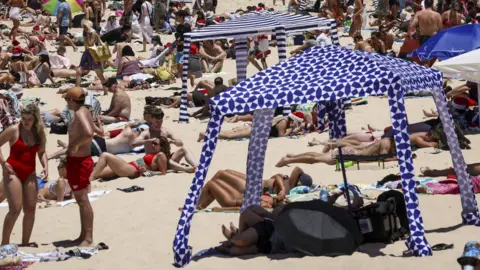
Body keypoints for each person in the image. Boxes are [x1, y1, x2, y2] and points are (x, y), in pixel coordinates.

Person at [0, 104, 48, 246]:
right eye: (24, 118)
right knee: (15, 209)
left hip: (30, 172)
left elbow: (41, 151)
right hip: (12, 171)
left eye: (29, 119)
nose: (26, 122)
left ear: (35, 120)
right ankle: (4, 243)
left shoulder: (39, 132)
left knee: (30, 210)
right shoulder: (14, 130)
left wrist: (45, 165)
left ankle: (25, 243)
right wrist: (3, 163)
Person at [196, 167, 313, 210]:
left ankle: (200, 203)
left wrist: (282, 188)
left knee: (220, 174)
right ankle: (202, 203)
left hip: (255, 187)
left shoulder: (291, 186)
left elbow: (297, 169)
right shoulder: (288, 185)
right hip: (257, 182)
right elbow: (278, 176)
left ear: (299, 182)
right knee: (222, 173)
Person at [64, 87, 95, 247]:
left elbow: (89, 133)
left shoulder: (79, 113)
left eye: (66, 100)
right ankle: (83, 235)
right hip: (79, 160)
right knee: (81, 200)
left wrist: (75, 145)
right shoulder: (85, 111)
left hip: (80, 161)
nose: (66, 103)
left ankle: (88, 237)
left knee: (83, 200)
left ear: (71, 100)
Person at [89, 137, 170, 180]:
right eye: (152, 143)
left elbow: (163, 173)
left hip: (133, 170)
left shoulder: (161, 155)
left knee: (105, 155)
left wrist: (147, 172)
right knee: (97, 172)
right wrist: (142, 166)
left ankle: (90, 180)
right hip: (130, 166)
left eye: (155, 143)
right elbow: (141, 161)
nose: (152, 145)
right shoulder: (153, 153)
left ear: (162, 147)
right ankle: (90, 177)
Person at [76, 20, 107, 95]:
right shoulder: (88, 33)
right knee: (79, 71)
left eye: (84, 26)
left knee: (99, 74)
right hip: (88, 53)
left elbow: (91, 43)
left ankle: (106, 91)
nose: (83, 28)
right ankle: (77, 89)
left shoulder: (92, 33)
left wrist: (87, 36)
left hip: (94, 54)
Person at [174, 10, 192, 77]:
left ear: (181, 17)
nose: (176, 18)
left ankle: (185, 83)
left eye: (177, 16)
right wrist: (177, 42)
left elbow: (190, 38)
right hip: (179, 49)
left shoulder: (187, 26)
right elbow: (178, 37)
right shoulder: (178, 27)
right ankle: (188, 78)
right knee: (178, 67)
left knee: (181, 67)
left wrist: (183, 42)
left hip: (185, 49)